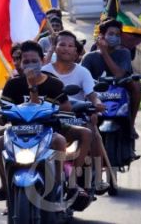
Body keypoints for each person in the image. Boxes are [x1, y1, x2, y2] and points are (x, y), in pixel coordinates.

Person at [0, 41, 91, 203]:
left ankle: (69, 185)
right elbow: (2, 118)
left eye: (34, 61)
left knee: (82, 134)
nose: (30, 65)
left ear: (42, 61)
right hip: (20, 131)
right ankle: (5, 187)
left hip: (50, 130)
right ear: (20, 63)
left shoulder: (54, 83)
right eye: (26, 62)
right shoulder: (13, 84)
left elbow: (66, 108)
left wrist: (35, 89)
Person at [43, 31, 108, 189]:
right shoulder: (45, 71)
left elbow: (92, 94)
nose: (66, 48)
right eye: (62, 44)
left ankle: (87, 177)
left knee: (93, 133)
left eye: (70, 46)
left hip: (76, 117)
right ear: (55, 48)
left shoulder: (82, 72)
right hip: (49, 119)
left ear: (76, 52)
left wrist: (97, 104)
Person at [81, 18, 141, 140]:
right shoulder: (89, 57)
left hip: (118, 92)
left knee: (137, 87)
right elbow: (82, 79)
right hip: (96, 94)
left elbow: (119, 74)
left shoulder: (124, 53)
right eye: (111, 34)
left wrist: (105, 53)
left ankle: (131, 125)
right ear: (101, 36)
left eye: (117, 35)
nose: (114, 37)